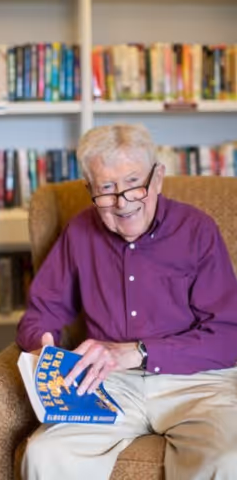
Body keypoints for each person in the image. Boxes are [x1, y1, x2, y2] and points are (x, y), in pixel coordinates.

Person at [16, 124, 237, 480]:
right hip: (109, 383)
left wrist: (139, 352)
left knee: (230, 459)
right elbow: (42, 313)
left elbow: (229, 336)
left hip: (198, 381)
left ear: (158, 178)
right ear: (90, 189)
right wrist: (43, 344)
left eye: (135, 182)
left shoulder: (198, 230)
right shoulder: (79, 232)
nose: (123, 201)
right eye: (107, 188)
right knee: (44, 454)